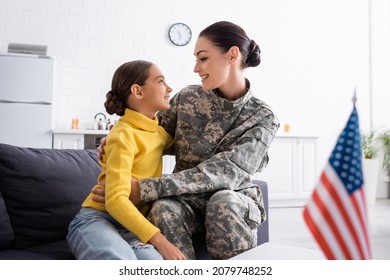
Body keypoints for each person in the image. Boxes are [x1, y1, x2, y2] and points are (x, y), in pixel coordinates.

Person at [95, 21, 279, 259]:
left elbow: (223, 172)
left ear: (232, 55)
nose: (196, 68)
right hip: (185, 202)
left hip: (234, 199)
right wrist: (117, 137)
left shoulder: (263, 117)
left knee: (224, 202)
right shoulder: (187, 98)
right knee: (163, 208)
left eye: (203, 59)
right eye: (196, 59)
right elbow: (150, 132)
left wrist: (146, 188)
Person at [66, 60, 186, 260]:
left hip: (131, 227)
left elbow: (189, 149)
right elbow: (115, 201)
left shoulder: (159, 134)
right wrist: (161, 242)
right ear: (138, 91)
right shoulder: (122, 135)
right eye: (161, 81)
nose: (169, 88)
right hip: (95, 220)